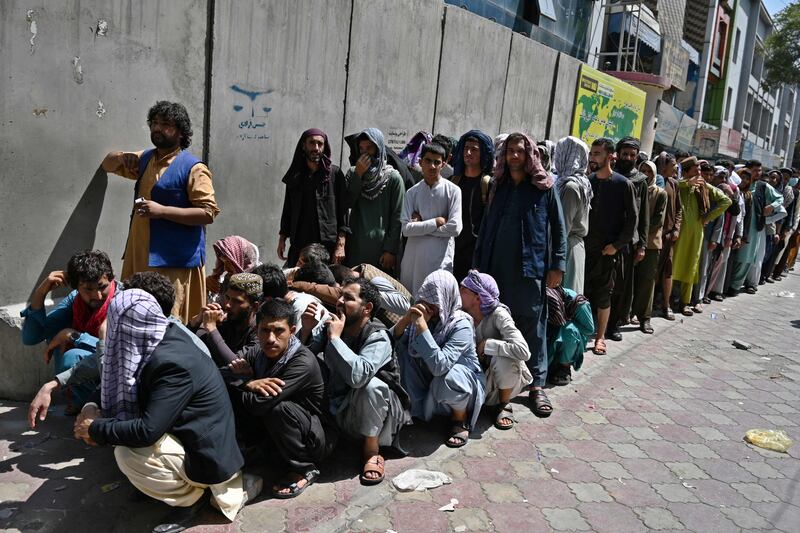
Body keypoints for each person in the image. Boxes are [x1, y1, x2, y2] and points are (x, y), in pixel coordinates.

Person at [73, 289, 258, 528]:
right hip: (183, 432)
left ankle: (191, 500)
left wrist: (95, 428)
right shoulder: (158, 337)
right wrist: (91, 406)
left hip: (205, 453)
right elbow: (118, 376)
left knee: (127, 453)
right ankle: (165, 486)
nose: (112, 331)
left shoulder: (170, 363)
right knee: (120, 432)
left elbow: (147, 431)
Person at [474, 132, 566, 417]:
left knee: (533, 327)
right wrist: (478, 267)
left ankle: (537, 387)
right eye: (510, 151)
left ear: (530, 155)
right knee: (500, 324)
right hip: (497, 268)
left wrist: (557, 265)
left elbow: (559, 227)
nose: (515, 156)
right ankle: (501, 389)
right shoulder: (498, 185)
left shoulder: (543, 187)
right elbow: (486, 227)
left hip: (531, 269)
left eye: (520, 151)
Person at [101, 101, 219, 323]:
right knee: (135, 317)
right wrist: (119, 157)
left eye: (166, 125)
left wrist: (162, 210)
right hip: (140, 255)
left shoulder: (194, 168)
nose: (157, 128)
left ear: (181, 132)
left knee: (167, 321)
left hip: (173, 263)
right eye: (155, 123)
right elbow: (106, 164)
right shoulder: (145, 159)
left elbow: (207, 213)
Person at [301, 278, 410, 485]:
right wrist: (306, 329)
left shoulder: (378, 336)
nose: (339, 301)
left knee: (372, 386)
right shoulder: (330, 326)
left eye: (348, 298)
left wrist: (335, 340)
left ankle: (372, 452)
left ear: (367, 308)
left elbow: (359, 376)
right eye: (340, 295)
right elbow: (303, 361)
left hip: (376, 414)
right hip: (340, 406)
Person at [226, 299, 336, 498]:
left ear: (292, 331)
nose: (270, 338)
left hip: (316, 438)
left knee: (279, 408)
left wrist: (243, 382)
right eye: (264, 330)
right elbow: (224, 372)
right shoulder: (257, 351)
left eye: (278, 331)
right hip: (279, 432)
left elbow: (260, 404)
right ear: (256, 329)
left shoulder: (302, 361)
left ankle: (305, 468)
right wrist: (247, 383)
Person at [394, 270, 485, 447]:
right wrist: (406, 320)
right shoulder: (424, 315)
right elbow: (395, 341)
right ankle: (418, 411)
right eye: (425, 299)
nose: (428, 306)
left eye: (434, 302)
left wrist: (422, 326)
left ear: (446, 298)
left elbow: (440, 366)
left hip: (462, 382)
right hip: (433, 380)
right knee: (401, 354)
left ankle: (459, 419)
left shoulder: (461, 324)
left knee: (448, 377)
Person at [21, 250, 118, 414]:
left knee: (71, 353)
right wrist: (41, 292)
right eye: (88, 289)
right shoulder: (75, 300)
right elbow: (32, 336)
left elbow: (117, 351)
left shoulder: (123, 299)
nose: (98, 295)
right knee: (56, 334)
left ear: (110, 279)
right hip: (91, 372)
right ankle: (81, 402)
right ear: (76, 287)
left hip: (116, 376)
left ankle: (96, 409)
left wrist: (74, 335)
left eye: (102, 287)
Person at [581, 138, 637, 356]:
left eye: (597, 153)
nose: (593, 157)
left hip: (608, 251)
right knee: (582, 293)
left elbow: (632, 219)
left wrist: (616, 245)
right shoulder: (589, 181)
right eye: (592, 153)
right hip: (586, 249)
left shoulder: (623, 184)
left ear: (609, 156)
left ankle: (600, 337)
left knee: (604, 295)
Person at [459, 270, 532, 430]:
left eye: (464, 290)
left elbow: (523, 351)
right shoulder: (461, 313)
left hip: (502, 380)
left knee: (504, 357)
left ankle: (504, 404)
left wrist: (489, 345)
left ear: (478, 298)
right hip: (477, 377)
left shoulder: (499, 314)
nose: (459, 291)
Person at [278, 129, 348, 267]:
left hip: (327, 246)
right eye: (312, 143)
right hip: (300, 244)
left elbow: (343, 212)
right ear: (304, 146)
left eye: (320, 144)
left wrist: (341, 245)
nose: (316, 148)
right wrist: (282, 238)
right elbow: (288, 209)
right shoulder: (296, 175)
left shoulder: (335, 174)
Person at [399, 143, 463, 295]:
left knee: (436, 305)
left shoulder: (453, 191)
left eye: (437, 162)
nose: (432, 166)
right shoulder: (412, 193)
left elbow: (455, 228)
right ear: (420, 162)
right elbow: (406, 230)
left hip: (439, 261)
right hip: (412, 263)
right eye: (428, 161)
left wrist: (420, 226)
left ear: (444, 164)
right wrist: (436, 222)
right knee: (409, 304)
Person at [671, 157, 731, 315]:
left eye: (699, 171)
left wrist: (707, 218)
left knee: (691, 267)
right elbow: (672, 185)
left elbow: (726, 201)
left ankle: (685, 303)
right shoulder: (679, 184)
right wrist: (686, 183)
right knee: (673, 266)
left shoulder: (705, 187)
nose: (699, 174)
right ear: (686, 172)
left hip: (696, 233)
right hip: (679, 233)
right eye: (695, 171)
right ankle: (668, 301)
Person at [344, 128, 405, 271]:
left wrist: (390, 250)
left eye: (369, 148)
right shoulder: (353, 173)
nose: (365, 153)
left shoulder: (393, 178)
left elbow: (398, 216)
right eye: (361, 148)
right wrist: (358, 175)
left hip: (381, 252)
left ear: (379, 149)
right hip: (356, 247)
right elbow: (347, 202)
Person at [607, 137, 648, 342]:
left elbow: (644, 216)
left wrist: (642, 245)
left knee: (621, 286)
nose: (628, 158)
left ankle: (614, 324)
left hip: (628, 242)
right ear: (618, 154)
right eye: (625, 154)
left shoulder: (640, 180)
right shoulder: (609, 176)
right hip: (606, 239)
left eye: (632, 155)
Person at [449, 130, 495, 280]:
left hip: (476, 255)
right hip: (452, 251)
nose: (468, 153)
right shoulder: (453, 181)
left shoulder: (489, 184)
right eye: (466, 148)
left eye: (474, 149)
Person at [190, 273, 262, 367]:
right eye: (227, 298)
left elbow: (237, 365)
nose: (228, 305)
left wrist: (212, 329)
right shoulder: (227, 321)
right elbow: (188, 342)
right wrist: (195, 323)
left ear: (255, 307)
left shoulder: (261, 331)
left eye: (237, 301)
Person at [630, 161, 667, 333]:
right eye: (642, 170)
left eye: (648, 171)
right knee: (629, 280)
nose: (645, 174)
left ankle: (645, 317)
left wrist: (640, 237)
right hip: (631, 241)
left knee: (646, 282)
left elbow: (656, 221)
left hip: (650, 244)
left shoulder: (660, 193)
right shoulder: (634, 188)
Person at [553, 136, 592, 293]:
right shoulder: (580, 181)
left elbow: (563, 227)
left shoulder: (570, 186)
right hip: (572, 247)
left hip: (567, 250)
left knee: (565, 302)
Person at [653, 152, 683, 320]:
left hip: (669, 237)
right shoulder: (654, 182)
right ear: (664, 166)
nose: (676, 168)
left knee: (667, 272)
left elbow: (679, 209)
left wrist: (676, 229)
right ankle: (647, 307)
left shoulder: (674, 184)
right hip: (655, 236)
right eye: (673, 165)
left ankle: (666, 305)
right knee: (652, 273)